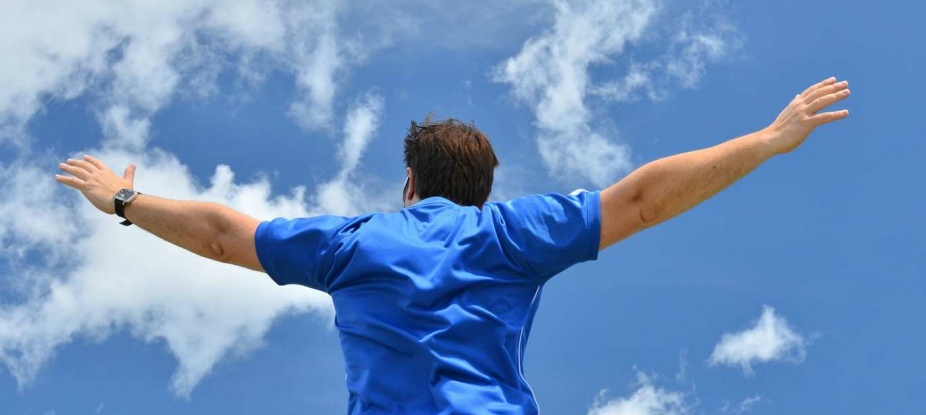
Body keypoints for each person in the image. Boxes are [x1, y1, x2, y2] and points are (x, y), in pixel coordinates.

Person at [55, 78, 850, 414]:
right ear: (483, 191)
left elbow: (225, 235)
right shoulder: (512, 233)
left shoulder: (351, 243)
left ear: (409, 182)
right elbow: (641, 200)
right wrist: (766, 139)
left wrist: (123, 199)